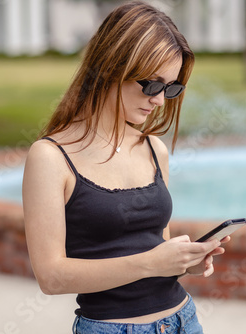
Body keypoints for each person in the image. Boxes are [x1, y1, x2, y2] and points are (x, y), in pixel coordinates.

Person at [22, 1, 229, 333]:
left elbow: (155, 251)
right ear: (110, 67)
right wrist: (151, 263)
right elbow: (51, 276)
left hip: (182, 321)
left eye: (172, 87)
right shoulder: (50, 157)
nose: (160, 100)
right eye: (152, 84)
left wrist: (182, 263)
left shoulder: (154, 149)